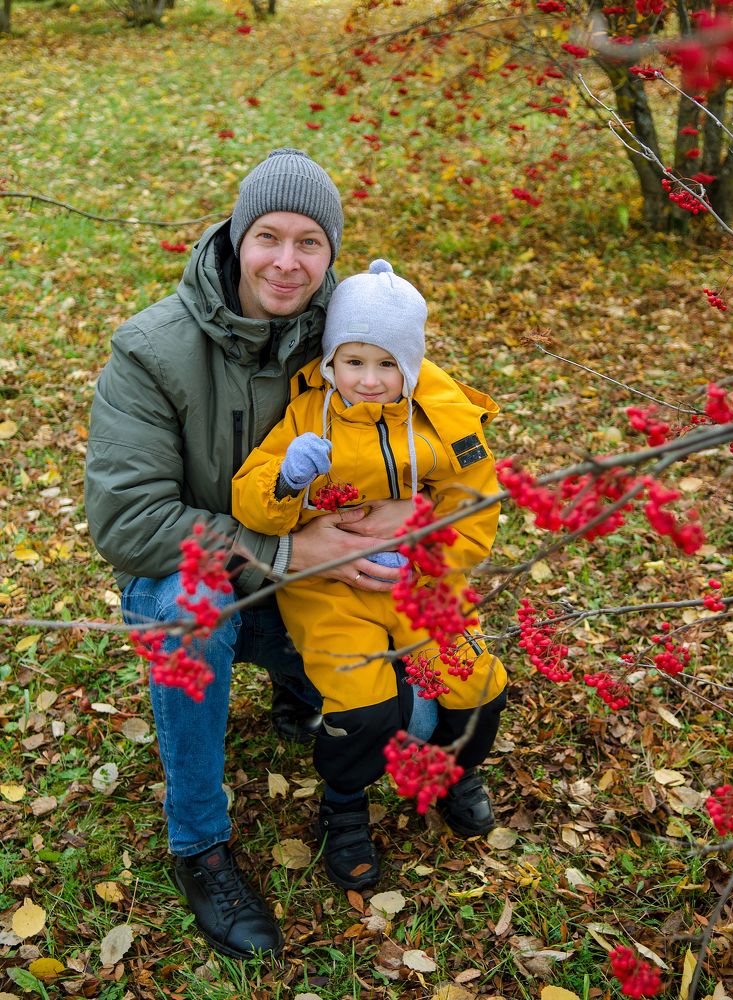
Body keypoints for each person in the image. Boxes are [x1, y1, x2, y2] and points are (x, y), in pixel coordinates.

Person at [84, 149, 410, 961]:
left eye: (310, 242)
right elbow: (126, 521)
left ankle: (302, 690)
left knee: (418, 693)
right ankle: (199, 843)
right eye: (268, 236)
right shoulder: (151, 351)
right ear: (237, 237)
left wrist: (411, 509)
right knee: (191, 612)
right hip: (196, 574)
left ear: (332, 253)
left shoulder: (348, 334)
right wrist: (284, 549)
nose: (286, 262)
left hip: (317, 580)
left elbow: (421, 426)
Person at [231, 259, 508, 892]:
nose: (370, 380)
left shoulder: (443, 421)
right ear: (332, 361)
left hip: (422, 583)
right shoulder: (308, 415)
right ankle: (345, 803)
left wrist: (426, 538)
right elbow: (251, 500)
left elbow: (476, 509)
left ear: (411, 366)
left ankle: (456, 770)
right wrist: (288, 480)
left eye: (388, 365)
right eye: (353, 361)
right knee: (362, 706)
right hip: (330, 589)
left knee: (478, 686)